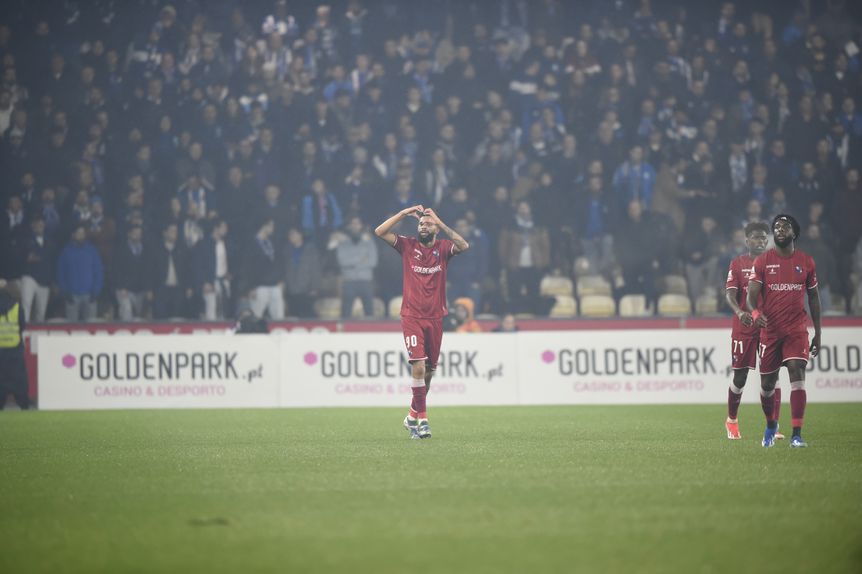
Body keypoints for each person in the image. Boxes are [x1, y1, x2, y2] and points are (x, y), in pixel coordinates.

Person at [374, 204, 470, 439]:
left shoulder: (443, 248)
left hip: (435, 318)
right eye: (421, 223)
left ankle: (411, 416)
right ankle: (423, 421)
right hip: (412, 316)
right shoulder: (408, 246)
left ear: (436, 229)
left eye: (428, 224)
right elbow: (380, 231)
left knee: (427, 374)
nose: (423, 226)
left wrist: (440, 221)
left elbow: (463, 245)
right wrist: (403, 213)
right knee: (418, 366)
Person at [747, 214, 821, 448]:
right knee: (767, 386)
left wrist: (818, 333)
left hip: (796, 330)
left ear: (794, 233)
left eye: (785, 226)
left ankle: (796, 435)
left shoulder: (806, 262)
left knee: (797, 372)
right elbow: (750, 296)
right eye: (777, 226)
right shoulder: (762, 261)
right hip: (770, 331)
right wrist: (755, 313)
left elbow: (814, 298)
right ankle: (771, 425)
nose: (780, 229)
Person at [723, 221, 784, 440]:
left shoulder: (775, 264)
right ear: (747, 240)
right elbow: (730, 294)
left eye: (764, 237)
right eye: (756, 237)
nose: (761, 241)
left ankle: (773, 425)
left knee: (772, 377)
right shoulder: (738, 263)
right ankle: (731, 420)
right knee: (740, 377)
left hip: (768, 327)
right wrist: (740, 313)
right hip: (745, 327)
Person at [57, 224, 104, 322]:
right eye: (79, 233)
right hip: (72, 296)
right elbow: (61, 273)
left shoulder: (92, 250)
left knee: (91, 327)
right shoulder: (66, 252)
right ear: (73, 235)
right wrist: (65, 292)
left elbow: (98, 272)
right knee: (71, 327)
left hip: (90, 295)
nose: (81, 235)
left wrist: (96, 291)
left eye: (83, 233)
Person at [0, 280, 29, 409]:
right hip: (14, 350)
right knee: (19, 381)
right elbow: (22, 326)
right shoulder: (17, 307)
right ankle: (23, 405)